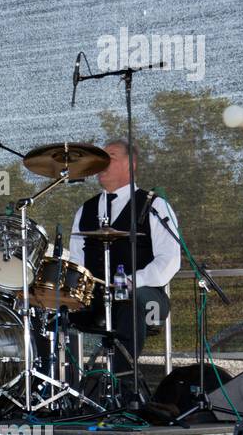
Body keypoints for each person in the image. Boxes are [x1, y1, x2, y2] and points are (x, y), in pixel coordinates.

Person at [68, 139, 181, 391]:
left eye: (111, 155)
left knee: (130, 303)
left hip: (147, 296)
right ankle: (61, 388)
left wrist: (132, 281)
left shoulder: (154, 204)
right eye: (101, 156)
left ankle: (120, 386)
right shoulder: (84, 210)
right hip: (96, 296)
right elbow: (76, 260)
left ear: (131, 163)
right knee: (51, 311)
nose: (102, 161)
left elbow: (170, 260)